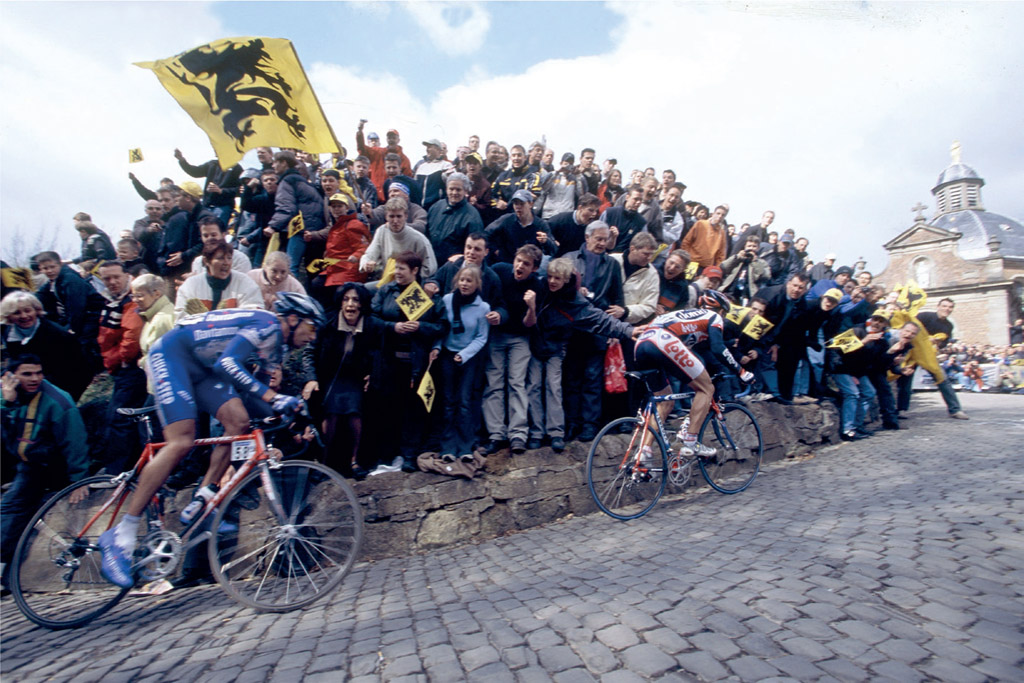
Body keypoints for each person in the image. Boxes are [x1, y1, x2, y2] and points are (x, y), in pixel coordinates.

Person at [96, 293, 327, 587]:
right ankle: (121, 535)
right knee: (181, 441)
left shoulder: (277, 348)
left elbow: (253, 399)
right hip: (171, 356)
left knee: (238, 421)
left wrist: (291, 412)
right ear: (292, 319)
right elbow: (229, 365)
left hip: (202, 367)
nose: (313, 336)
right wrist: (273, 397)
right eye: (312, 327)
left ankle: (206, 492)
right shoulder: (267, 324)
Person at [524, 258, 635, 452]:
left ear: (566, 280)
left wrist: (628, 331)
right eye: (550, 276)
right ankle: (536, 432)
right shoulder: (539, 287)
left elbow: (601, 319)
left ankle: (556, 432)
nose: (552, 281)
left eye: (557, 278)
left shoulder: (575, 301)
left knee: (554, 387)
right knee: (533, 387)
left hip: (556, 347)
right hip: (534, 344)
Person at [1, 355, 89, 595]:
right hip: (20, 460)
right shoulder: (6, 393)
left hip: (47, 466)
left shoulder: (57, 401)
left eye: (38, 373)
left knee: (12, 508)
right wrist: (6, 404)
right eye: (27, 374)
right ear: (11, 376)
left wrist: (78, 479)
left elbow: (75, 440)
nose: (35, 379)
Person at [633, 291, 754, 457]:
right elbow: (718, 349)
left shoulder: (690, 317)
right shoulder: (714, 317)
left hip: (642, 343)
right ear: (721, 311)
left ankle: (643, 453)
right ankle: (691, 440)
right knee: (706, 389)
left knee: (665, 402)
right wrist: (741, 371)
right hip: (663, 340)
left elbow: (702, 351)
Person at [366, 252, 446, 474]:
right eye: (396, 268)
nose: (397, 272)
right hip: (387, 361)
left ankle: (409, 455)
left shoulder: (426, 295)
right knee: (387, 408)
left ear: (415, 271)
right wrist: (393, 327)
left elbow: (442, 326)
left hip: (415, 363)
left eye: (402, 268)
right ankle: (386, 455)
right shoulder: (385, 290)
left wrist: (421, 327)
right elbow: (370, 319)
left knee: (414, 410)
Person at [315, 283, 384, 479]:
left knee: (354, 411)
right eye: (346, 300)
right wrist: (311, 379)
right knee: (332, 413)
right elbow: (313, 353)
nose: (350, 305)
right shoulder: (328, 324)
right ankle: (324, 462)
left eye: (355, 300)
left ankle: (355, 460)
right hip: (332, 378)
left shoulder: (372, 325)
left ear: (362, 304)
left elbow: (379, 356)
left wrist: (373, 374)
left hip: (356, 378)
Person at [482, 245, 543, 454]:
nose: (520, 266)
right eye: (518, 260)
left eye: (526, 264)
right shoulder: (500, 270)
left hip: (520, 337)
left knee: (516, 382)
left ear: (534, 268)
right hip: (497, 334)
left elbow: (529, 324)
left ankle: (518, 434)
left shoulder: (536, 285)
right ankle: (495, 434)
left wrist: (532, 307)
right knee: (493, 382)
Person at [431, 265, 491, 460]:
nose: (465, 284)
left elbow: (481, 337)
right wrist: (437, 348)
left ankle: (465, 447)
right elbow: (441, 328)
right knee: (448, 401)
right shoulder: (447, 301)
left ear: (476, 284)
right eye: (462, 280)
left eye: (469, 281)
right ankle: (448, 447)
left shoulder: (483, 308)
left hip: (468, 358)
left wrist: (464, 355)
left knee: (464, 402)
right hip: (448, 354)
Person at [95, 261, 147, 473]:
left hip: (131, 368)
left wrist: (119, 360)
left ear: (127, 275)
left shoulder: (132, 300)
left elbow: (132, 337)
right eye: (107, 279)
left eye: (117, 277)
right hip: (120, 366)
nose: (112, 282)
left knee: (119, 418)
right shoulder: (112, 301)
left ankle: (117, 472)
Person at [1, 291, 91, 401]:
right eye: (17, 313)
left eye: (28, 310)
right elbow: (14, 362)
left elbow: (74, 370)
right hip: (29, 383)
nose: (24, 316)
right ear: (9, 316)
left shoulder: (56, 334)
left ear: (36, 310)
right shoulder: (8, 332)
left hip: (62, 385)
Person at [174, 241, 264, 319]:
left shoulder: (245, 282)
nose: (226, 263)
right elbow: (180, 318)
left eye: (229, 258)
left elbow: (254, 315)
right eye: (220, 258)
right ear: (206, 261)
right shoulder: (191, 285)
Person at [360, 197, 438, 280]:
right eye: (391, 216)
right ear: (386, 217)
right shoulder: (382, 231)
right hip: (386, 280)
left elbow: (430, 267)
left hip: (411, 282)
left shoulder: (418, 238)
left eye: (399, 216)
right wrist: (366, 264)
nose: (395, 221)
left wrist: (414, 277)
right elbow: (370, 254)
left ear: (406, 216)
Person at [173, 148, 242, 227]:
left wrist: (222, 191)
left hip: (223, 207)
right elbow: (195, 172)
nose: (215, 149)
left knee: (217, 230)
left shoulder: (236, 168)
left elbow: (241, 190)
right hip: (206, 206)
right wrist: (182, 160)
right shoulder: (212, 164)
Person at [427, 173, 484, 264]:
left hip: (453, 266)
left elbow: (474, 247)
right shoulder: (436, 207)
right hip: (430, 261)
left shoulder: (472, 216)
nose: (454, 193)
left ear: (465, 191)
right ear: (446, 189)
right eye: (451, 189)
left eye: (458, 190)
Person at [681, 205, 729, 270]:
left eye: (723, 215)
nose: (720, 216)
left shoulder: (722, 233)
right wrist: (685, 258)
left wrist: (716, 268)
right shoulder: (700, 224)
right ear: (713, 214)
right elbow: (686, 241)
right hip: (691, 262)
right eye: (718, 213)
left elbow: (721, 255)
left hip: (706, 267)